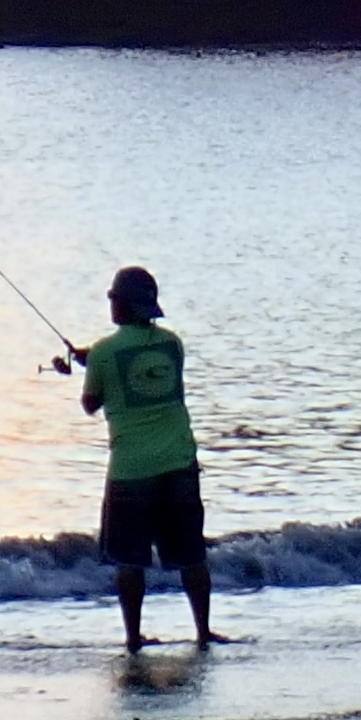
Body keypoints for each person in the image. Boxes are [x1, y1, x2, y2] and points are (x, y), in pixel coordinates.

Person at [80, 264, 213, 647]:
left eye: (113, 298)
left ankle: (133, 636)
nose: (111, 304)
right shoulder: (173, 345)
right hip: (179, 463)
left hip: (131, 470)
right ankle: (203, 631)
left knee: (130, 559)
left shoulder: (104, 353)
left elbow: (91, 403)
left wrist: (90, 364)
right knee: (191, 555)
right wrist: (97, 361)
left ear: (121, 304)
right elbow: (143, 367)